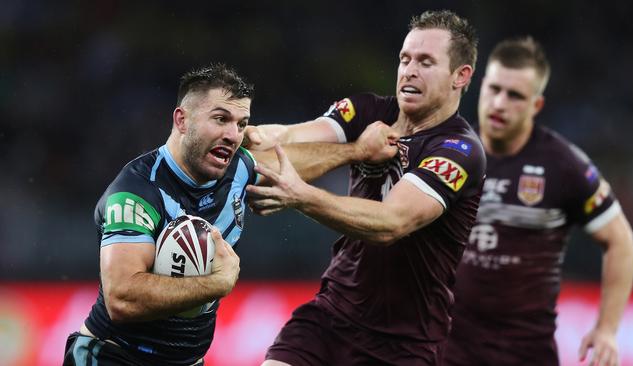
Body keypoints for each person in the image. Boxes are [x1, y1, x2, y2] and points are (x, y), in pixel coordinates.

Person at [63, 63, 398, 365]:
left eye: (242, 124)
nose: (233, 134)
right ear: (182, 120)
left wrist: (357, 151)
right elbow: (121, 299)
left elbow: (288, 165)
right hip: (114, 357)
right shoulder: (137, 192)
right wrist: (216, 283)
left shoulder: (236, 168)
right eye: (220, 119)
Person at [244, 10, 485, 366]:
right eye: (405, 58)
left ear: (460, 76)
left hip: (403, 344)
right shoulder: (368, 111)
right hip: (329, 317)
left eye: (426, 61)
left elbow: (391, 223)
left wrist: (301, 196)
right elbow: (287, 142)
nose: (409, 70)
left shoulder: (459, 151)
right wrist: (258, 136)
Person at [443, 37, 633, 366]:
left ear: (536, 106)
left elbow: (621, 241)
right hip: (447, 351)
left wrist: (606, 329)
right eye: (494, 89)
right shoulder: (450, 153)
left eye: (515, 95)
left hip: (524, 354)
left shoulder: (564, 165)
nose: (499, 103)